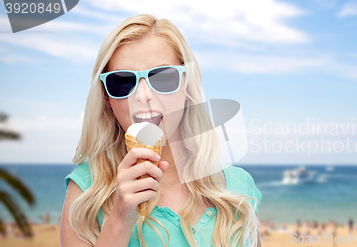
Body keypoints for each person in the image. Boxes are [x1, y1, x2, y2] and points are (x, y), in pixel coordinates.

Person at [60, 14, 262, 247]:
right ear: (107, 98)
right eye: (123, 81)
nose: (143, 95)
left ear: (186, 86)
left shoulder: (239, 188)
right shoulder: (86, 189)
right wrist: (119, 218)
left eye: (163, 77)